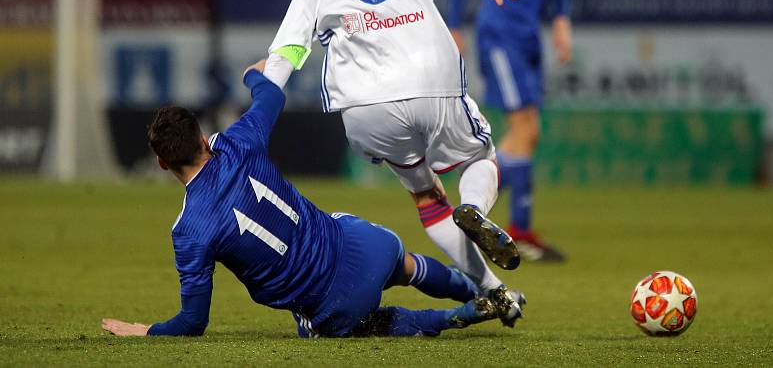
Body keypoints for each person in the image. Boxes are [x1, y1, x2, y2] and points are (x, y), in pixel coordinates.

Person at [264, 0, 526, 325]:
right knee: (481, 159)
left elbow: (288, 48)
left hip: (365, 108)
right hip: (431, 82)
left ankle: (495, 290)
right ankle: (476, 208)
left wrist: (260, 108)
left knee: (426, 197)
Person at [101, 60, 506, 339]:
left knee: (340, 324)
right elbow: (273, 97)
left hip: (336, 304)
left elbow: (193, 321)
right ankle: (481, 291)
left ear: (160, 163)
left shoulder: (189, 230)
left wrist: (146, 330)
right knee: (406, 265)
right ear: (205, 138)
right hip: (368, 245)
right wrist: (252, 76)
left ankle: (457, 316)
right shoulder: (238, 143)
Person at [446, 0, 575, 262]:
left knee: (527, 134)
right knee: (525, 126)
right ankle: (514, 227)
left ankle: (478, 204)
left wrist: (561, 20)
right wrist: (454, 25)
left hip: (530, 36)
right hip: (499, 33)